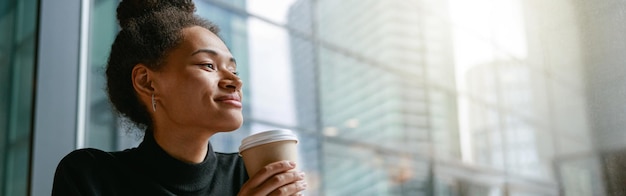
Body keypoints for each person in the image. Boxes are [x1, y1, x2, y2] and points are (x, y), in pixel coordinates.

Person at [51, 0, 307, 195]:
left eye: (234, 69)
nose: (235, 81)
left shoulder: (249, 175)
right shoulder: (92, 176)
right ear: (147, 82)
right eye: (208, 65)